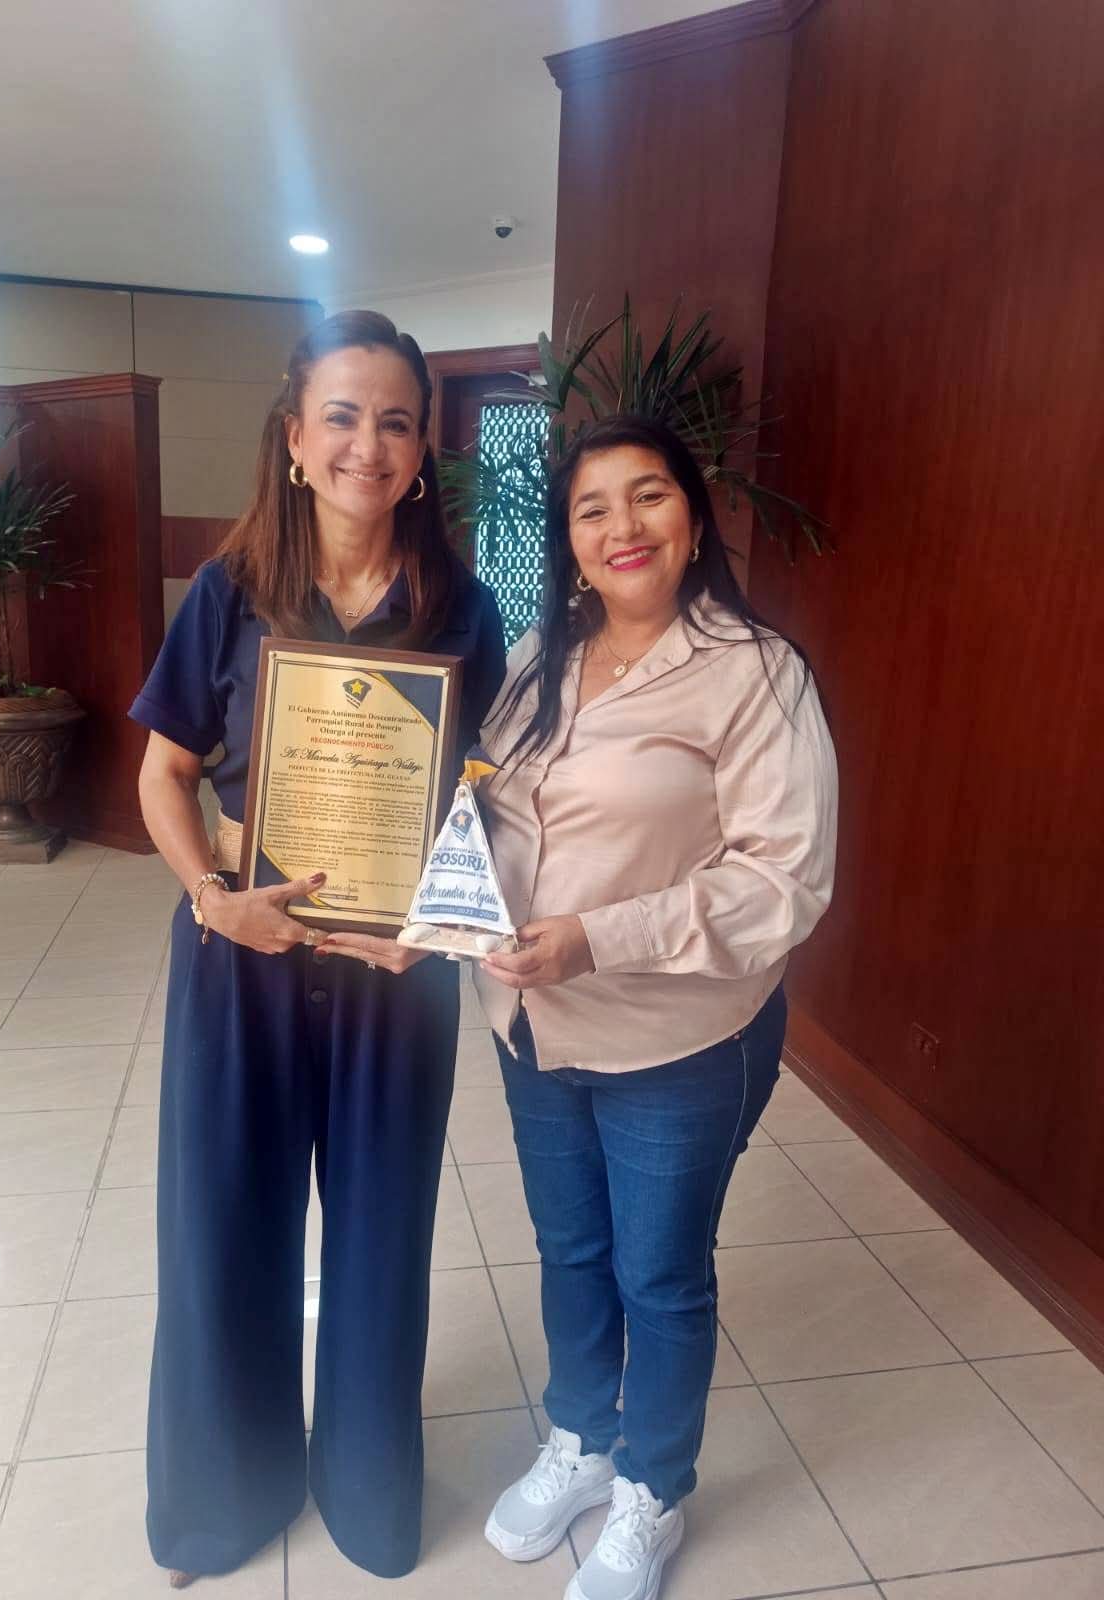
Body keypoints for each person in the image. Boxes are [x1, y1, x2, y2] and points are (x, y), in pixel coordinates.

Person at [129, 310, 505, 1587]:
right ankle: (222, 1499)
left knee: (381, 1236)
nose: (367, 445)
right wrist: (209, 895)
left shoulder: (463, 607)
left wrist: (442, 923)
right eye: (341, 416)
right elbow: (164, 773)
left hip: (398, 983)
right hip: (241, 959)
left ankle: (365, 1493)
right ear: (294, 438)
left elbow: (486, 799)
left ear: (423, 447)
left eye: (396, 421)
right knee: (222, 1223)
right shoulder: (229, 592)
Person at [473, 415, 837, 1600]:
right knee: (571, 1248)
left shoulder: (755, 671)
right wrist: (422, 902)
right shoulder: (541, 653)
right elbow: (486, 803)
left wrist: (599, 937)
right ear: (569, 539)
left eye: (648, 496)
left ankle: (652, 1486)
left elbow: (784, 879)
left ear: (692, 515)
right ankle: (584, 1437)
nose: (621, 527)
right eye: (592, 508)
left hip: (678, 1038)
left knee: (661, 1273)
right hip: (531, 1024)